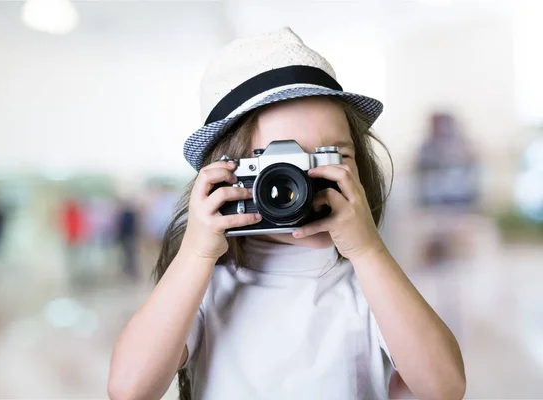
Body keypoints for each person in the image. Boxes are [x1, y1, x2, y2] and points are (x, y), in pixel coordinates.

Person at [108, 27, 466, 400]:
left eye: (333, 156)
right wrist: (195, 254)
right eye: (279, 164)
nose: (306, 182)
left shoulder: (370, 286)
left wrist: (368, 251)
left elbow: (444, 389)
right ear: (225, 173)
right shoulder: (205, 288)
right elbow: (129, 390)